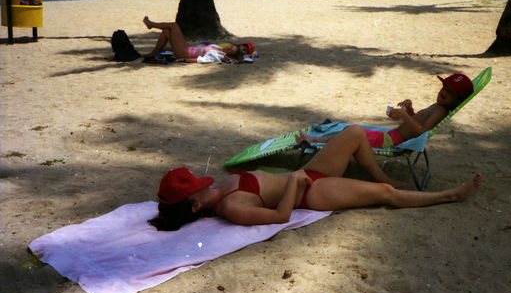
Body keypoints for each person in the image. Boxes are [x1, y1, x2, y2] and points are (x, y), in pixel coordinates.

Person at [149, 126, 483, 230]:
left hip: (309, 174)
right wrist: (294, 183)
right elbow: (281, 216)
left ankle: (389, 178)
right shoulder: (233, 208)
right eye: (198, 189)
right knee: (382, 193)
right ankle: (449, 195)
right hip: (312, 191)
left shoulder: (217, 190)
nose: (205, 181)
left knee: (353, 133)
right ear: (195, 207)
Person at [297, 73, 474, 150]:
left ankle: (315, 141)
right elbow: (417, 124)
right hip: (390, 136)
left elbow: (421, 132)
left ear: (457, 100)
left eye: (451, 93)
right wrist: (410, 111)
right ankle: (317, 140)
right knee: (348, 131)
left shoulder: (441, 111)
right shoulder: (437, 107)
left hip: (391, 141)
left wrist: (404, 116)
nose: (444, 92)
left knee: (349, 133)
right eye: (445, 87)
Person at [142, 16, 253, 63]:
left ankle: (151, 24)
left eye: (230, 51)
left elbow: (201, 61)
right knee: (166, 32)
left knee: (173, 26)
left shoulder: (218, 56)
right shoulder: (218, 48)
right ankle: (153, 53)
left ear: (230, 54)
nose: (229, 48)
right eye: (230, 47)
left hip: (185, 53)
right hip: (187, 48)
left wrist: (183, 60)